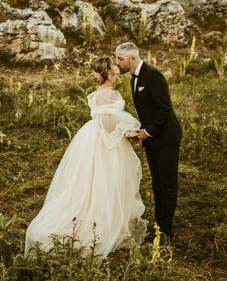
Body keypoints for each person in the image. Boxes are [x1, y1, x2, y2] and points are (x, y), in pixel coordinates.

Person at [24, 57, 147, 258]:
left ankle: (106, 218)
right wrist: (127, 132)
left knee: (99, 182)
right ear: (108, 71)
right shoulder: (107, 93)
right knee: (102, 181)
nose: (117, 66)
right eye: (113, 65)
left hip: (97, 137)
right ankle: (98, 223)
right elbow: (107, 122)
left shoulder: (105, 91)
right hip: (103, 142)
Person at [114, 42, 182, 246]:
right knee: (156, 184)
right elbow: (149, 111)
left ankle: (166, 232)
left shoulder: (153, 75)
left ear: (132, 59)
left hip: (167, 138)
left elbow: (164, 109)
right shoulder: (134, 78)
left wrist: (147, 132)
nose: (117, 63)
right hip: (152, 139)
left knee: (167, 184)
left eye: (120, 59)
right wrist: (138, 132)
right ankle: (159, 227)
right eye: (116, 58)